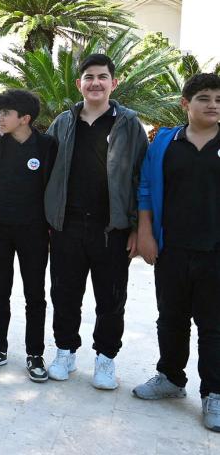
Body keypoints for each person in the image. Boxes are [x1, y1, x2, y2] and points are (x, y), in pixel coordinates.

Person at [43, 53, 148, 389]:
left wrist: (136, 228)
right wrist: (48, 219)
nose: (95, 83)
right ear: (79, 84)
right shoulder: (63, 122)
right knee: (64, 293)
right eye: (89, 77)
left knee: (111, 298)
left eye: (102, 77)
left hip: (111, 228)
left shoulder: (129, 125)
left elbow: (141, 178)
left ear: (113, 83)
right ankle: (65, 351)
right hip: (68, 225)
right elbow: (46, 171)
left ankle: (105, 358)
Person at [132, 73, 220, 432]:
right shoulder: (166, 142)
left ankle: (214, 392)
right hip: (172, 248)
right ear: (186, 104)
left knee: (213, 325)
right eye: (204, 98)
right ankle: (170, 377)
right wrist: (145, 233)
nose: (213, 104)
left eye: (218, 99)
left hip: (215, 252)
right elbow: (146, 187)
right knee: (171, 318)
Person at [0, 90, 56, 381]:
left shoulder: (46, 146)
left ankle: (35, 354)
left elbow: (52, 186)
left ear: (25, 118)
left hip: (33, 230)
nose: (0, 118)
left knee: (35, 293)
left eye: (6, 113)